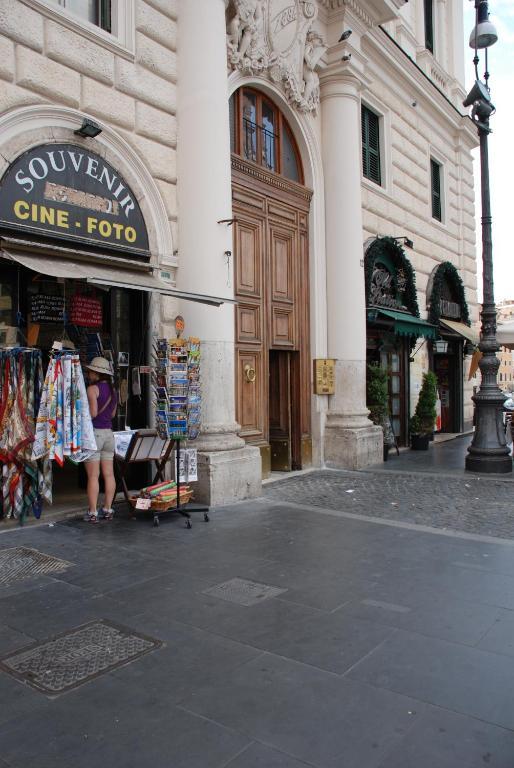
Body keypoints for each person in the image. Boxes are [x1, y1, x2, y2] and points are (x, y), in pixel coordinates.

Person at [83, 356, 118, 523]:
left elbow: (93, 413)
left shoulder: (92, 389)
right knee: (109, 474)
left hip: (95, 434)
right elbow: (112, 414)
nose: (88, 374)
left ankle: (92, 512)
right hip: (108, 434)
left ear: (96, 373)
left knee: (93, 476)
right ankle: (108, 509)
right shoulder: (113, 390)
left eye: (90, 371)